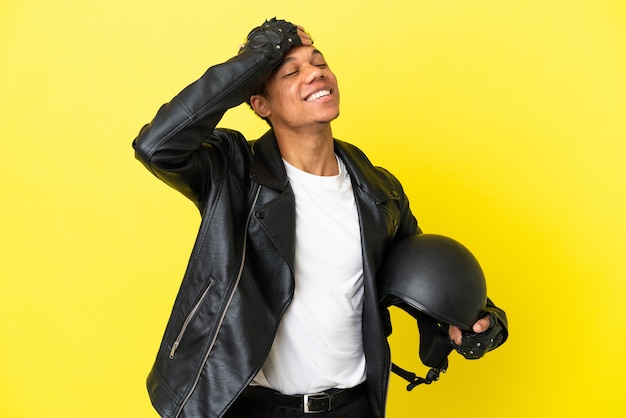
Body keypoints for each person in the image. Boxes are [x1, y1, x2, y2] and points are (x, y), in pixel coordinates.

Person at [132, 18, 508, 418]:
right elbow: (157, 146)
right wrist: (261, 55)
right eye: (291, 71)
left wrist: (477, 323)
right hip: (253, 408)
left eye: (320, 62)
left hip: (352, 407)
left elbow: (423, 276)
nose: (315, 73)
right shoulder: (232, 171)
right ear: (260, 103)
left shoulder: (379, 191)